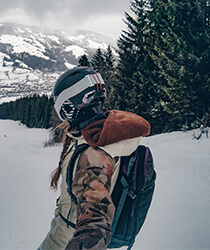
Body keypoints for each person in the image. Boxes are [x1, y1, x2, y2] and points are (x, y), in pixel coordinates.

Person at [38, 67, 150, 250]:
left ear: (70, 107)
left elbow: (94, 222)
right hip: (58, 236)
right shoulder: (103, 136)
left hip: (61, 243)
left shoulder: (93, 155)